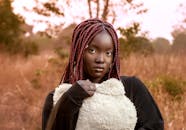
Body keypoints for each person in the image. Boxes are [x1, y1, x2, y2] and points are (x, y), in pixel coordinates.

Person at [42, 18, 164, 130]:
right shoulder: (59, 96)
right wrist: (71, 98)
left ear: (113, 59)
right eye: (92, 50)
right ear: (78, 52)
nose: (101, 59)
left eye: (108, 53)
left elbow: (155, 126)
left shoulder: (130, 88)